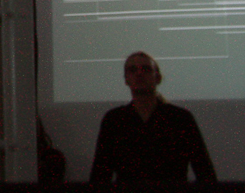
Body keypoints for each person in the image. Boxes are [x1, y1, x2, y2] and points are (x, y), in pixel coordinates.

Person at [90, 51, 216, 183]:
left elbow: (204, 172)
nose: (139, 73)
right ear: (126, 79)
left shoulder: (180, 118)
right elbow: (100, 174)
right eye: (132, 70)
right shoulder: (114, 120)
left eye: (146, 69)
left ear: (158, 77)